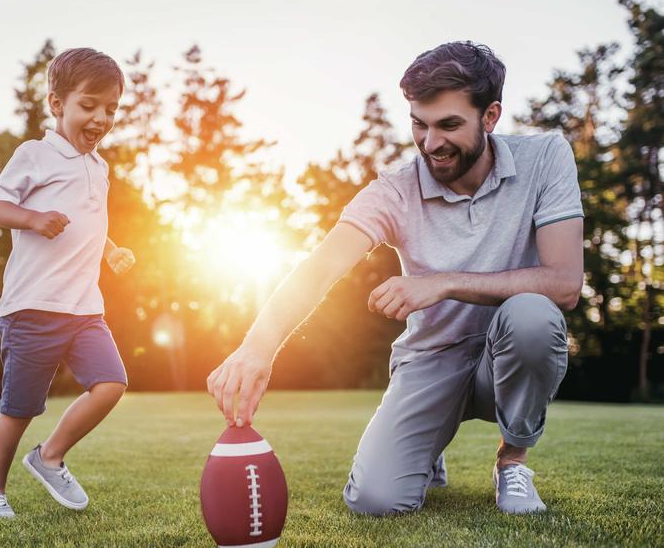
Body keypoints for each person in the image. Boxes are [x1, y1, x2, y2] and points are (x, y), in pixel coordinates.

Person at [207, 41, 583, 515]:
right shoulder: (394, 191)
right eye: (419, 125)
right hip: (431, 360)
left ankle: (512, 461)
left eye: (449, 125)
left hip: (507, 358)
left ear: (490, 117)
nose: (430, 144)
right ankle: (429, 446)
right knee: (375, 500)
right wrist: (256, 348)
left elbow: (565, 283)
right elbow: (320, 267)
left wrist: (443, 281)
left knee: (533, 315)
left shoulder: (546, 157)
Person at [0, 48, 135, 518]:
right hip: (33, 305)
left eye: (111, 108)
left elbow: (88, 224)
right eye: (90, 105)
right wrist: (33, 217)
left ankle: (49, 456)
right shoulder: (35, 154)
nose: (101, 118)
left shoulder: (100, 167)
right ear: (57, 104)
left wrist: (112, 251)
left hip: (84, 307)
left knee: (111, 383)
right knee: (19, 408)